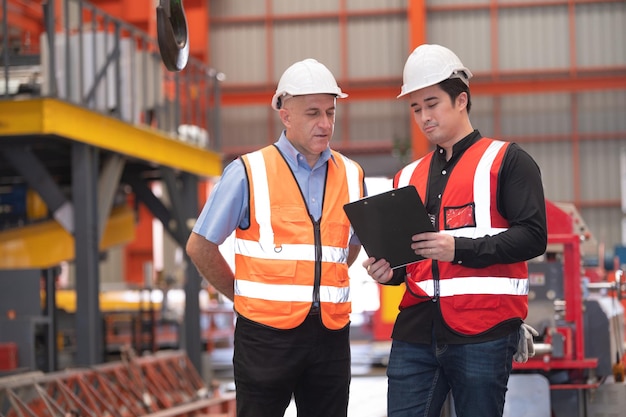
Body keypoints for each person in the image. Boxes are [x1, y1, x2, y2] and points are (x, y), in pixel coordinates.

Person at [363, 44, 548, 417]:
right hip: (415, 333)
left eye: (432, 104)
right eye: (415, 108)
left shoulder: (508, 161)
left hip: (485, 330)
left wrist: (458, 248)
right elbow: (411, 261)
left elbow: (533, 236)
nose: (423, 116)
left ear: (461, 99)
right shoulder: (407, 176)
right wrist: (388, 273)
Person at [186, 58, 365, 417]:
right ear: (285, 115)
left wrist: (323, 279)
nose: (325, 124)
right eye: (313, 113)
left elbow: (353, 242)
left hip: (331, 335)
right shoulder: (248, 172)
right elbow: (200, 245)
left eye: (330, 112)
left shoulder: (351, 173)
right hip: (265, 337)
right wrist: (242, 295)